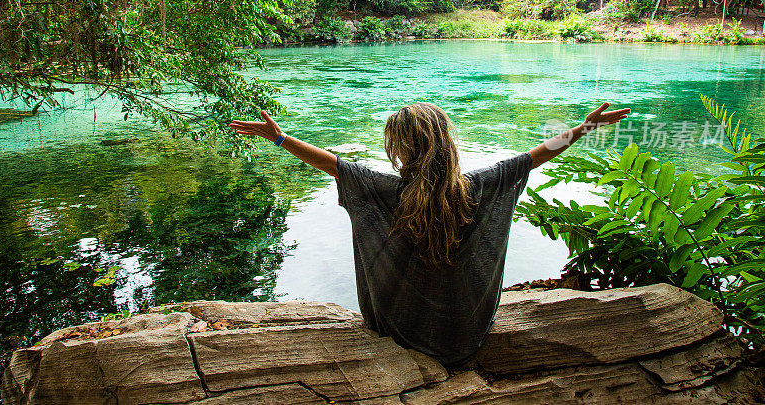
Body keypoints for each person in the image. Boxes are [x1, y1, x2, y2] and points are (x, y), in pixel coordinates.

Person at [231, 102, 630, 366]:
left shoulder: (387, 191)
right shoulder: (478, 187)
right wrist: (583, 128)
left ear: (404, 149)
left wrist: (280, 139)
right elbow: (537, 155)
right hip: (467, 330)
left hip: (399, 328)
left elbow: (334, 165)